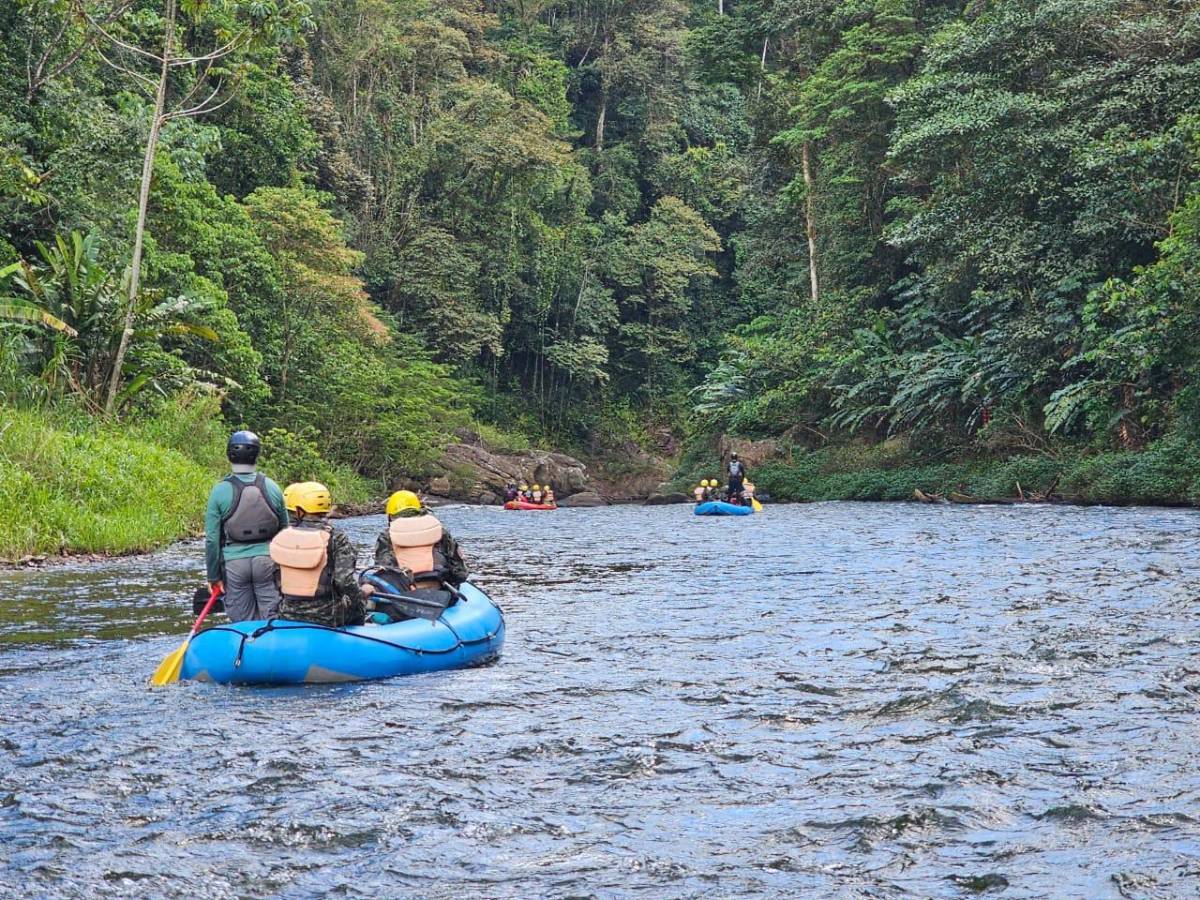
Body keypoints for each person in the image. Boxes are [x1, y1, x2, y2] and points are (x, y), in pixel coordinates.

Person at [203, 430, 288, 622]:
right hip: (268, 562)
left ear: (229, 454)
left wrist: (213, 576)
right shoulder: (272, 487)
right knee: (272, 620)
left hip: (234, 565)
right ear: (256, 455)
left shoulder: (219, 491)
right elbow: (285, 531)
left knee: (243, 624)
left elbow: (211, 540)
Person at [270, 481, 369, 627]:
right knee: (358, 607)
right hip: (327, 616)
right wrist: (360, 599)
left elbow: (274, 576)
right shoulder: (336, 537)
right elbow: (344, 581)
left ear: (299, 511)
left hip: (288, 613)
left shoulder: (283, 537)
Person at [373, 490, 468, 587]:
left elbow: (384, 571)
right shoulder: (438, 530)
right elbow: (461, 574)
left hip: (403, 591)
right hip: (441, 589)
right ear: (419, 509)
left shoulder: (386, 535)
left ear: (390, 516)